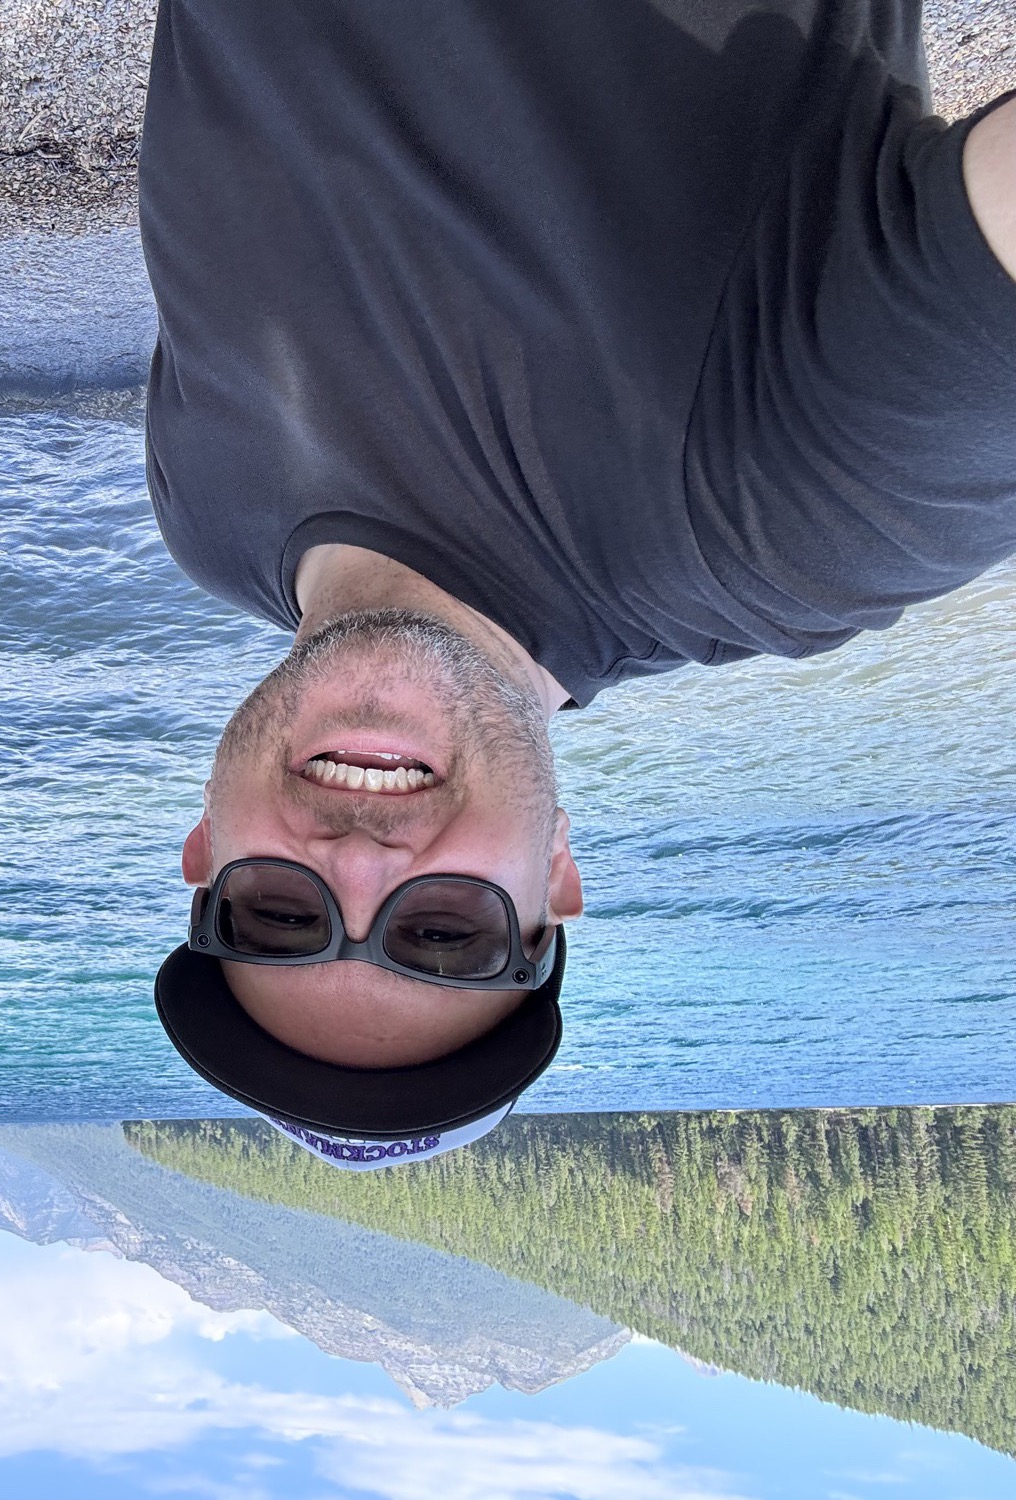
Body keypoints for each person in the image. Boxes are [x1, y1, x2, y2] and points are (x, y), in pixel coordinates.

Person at [143, 0, 1016, 1147]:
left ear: (206, 857)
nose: (355, 863)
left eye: (272, 916)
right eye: (442, 936)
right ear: (553, 879)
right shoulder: (780, 527)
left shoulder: (202, 512)